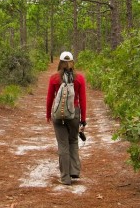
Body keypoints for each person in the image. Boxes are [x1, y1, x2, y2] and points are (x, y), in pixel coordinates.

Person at [46, 51, 87, 185]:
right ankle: (74, 171)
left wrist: (48, 114)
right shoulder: (79, 78)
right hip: (73, 114)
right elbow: (83, 100)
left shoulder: (54, 78)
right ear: (72, 62)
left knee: (63, 145)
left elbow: (50, 98)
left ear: (60, 62)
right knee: (73, 141)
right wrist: (83, 119)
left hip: (58, 115)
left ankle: (65, 177)